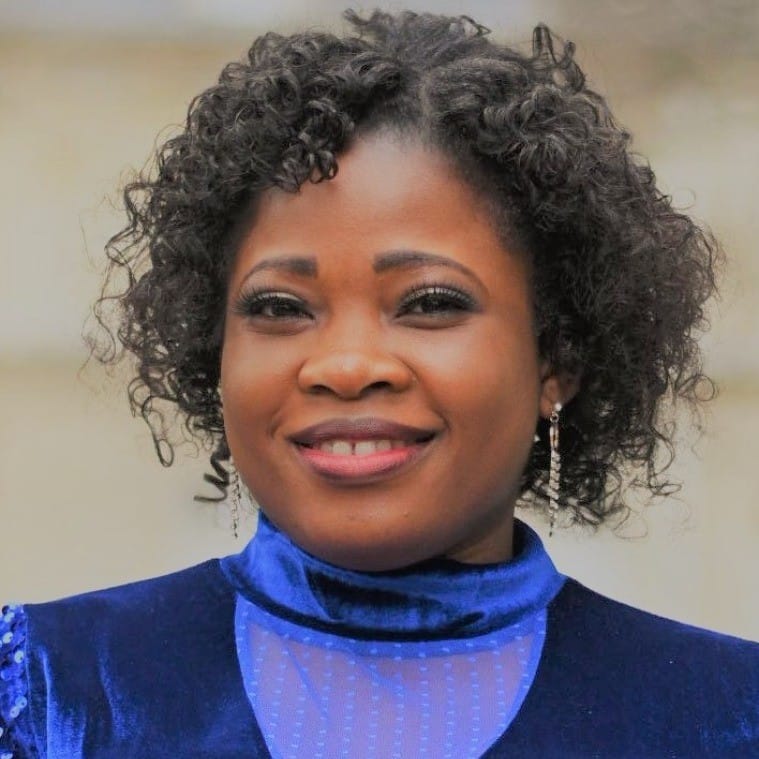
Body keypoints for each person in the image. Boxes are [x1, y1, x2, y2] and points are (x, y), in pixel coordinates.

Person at [2, 9, 757, 758]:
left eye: (430, 303)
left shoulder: (726, 718)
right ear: (216, 353)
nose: (346, 365)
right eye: (279, 307)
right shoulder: (46, 695)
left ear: (556, 360)